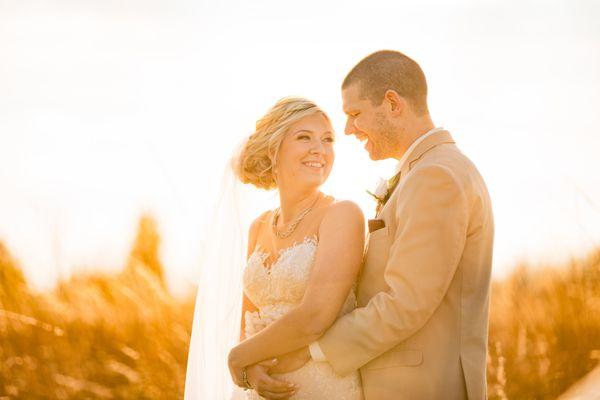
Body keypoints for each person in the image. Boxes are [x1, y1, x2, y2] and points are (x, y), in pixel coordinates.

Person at [227, 50, 494, 400]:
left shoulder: (436, 176)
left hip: (420, 387)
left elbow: (405, 303)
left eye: (354, 114)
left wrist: (307, 351)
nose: (349, 129)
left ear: (392, 104)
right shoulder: (422, 172)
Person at [197, 96, 366, 400]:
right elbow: (248, 319)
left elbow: (315, 317)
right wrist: (252, 371)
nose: (320, 149)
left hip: (321, 385)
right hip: (262, 389)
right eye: (305, 137)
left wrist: (238, 358)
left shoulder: (342, 214)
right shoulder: (258, 227)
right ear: (273, 150)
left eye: (328, 140)